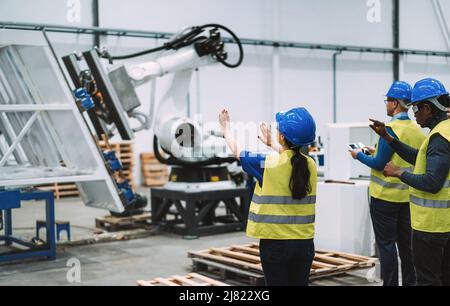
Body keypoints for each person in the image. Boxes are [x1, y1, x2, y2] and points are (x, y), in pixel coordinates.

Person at [219, 107, 317, 286]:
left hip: (276, 245)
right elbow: (293, 159)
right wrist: (273, 144)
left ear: (282, 136)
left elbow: (239, 152)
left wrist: (225, 129)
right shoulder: (311, 165)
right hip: (304, 245)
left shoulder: (268, 163)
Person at [370, 78, 450, 286]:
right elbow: (419, 158)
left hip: (432, 226)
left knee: (428, 280)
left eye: (416, 108)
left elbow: (432, 182)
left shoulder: (440, 137)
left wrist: (399, 173)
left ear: (428, 108)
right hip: (442, 223)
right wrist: (389, 139)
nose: (414, 113)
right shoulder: (442, 132)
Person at [349, 81, 425, 286]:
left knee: (387, 245)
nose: (386, 104)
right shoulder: (417, 130)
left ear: (395, 103)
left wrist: (358, 156)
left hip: (384, 198)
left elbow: (380, 164)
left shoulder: (390, 128)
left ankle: (390, 283)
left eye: (388, 100)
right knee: (407, 247)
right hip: (408, 198)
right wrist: (376, 150)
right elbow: (407, 156)